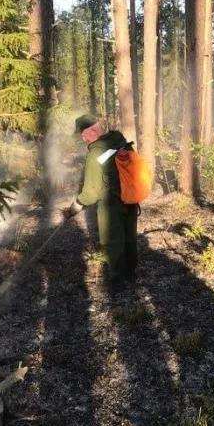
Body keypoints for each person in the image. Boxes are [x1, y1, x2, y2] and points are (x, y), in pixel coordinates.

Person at [61, 115, 139, 293]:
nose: (82, 138)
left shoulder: (95, 152)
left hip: (111, 205)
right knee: (130, 237)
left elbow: (91, 192)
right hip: (131, 199)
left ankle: (118, 284)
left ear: (92, 130)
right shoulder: (119, 140)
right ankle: (131, 275)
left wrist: (73, 210)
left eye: (83, 134)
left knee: (113, 241)